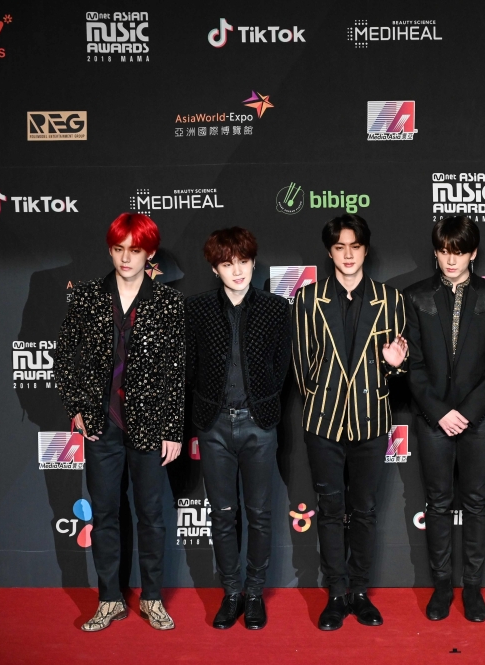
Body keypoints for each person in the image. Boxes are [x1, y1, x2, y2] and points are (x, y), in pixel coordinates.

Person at [56, 213, 185, 632]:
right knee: (106, 513)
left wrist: (173, 429)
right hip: (100, 426)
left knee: (151, 514)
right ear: (110, 250)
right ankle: (109, 598)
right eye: (118, 249)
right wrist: (76, 406)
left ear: (149, 252)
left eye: (134, 250)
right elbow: (65, 357)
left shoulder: (167, 303)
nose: (125, 258)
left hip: (148, 425)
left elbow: (175, 370)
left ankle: (151, 598)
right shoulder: (89, 296)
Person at [291, 214, 409, 630]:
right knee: (329, 510)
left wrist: (394, 368)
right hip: (323, 422)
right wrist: (327, 403)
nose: (347, 254)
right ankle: (336, 593)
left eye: (354, 246)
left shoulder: (391, 300)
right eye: (339, 247)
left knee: (365, 510)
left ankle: (360, 592)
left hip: (371, 422)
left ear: (365, 249)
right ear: (329, 251)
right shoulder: (307, 300)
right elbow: (304, 369)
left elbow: (395, 365)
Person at [403, 216, 485, 622]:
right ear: (436, 250)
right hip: (432, 419)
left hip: (477, 419)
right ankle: (442, 586)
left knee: (476, 502)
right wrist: (440, 413)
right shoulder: (414, 297)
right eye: (445, 250)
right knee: (437, 502)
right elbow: (412, 366)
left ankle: (473, 589)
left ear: (473, 253)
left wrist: (464, 414)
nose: (451, 259)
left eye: (459, 251)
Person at [185, 227, 291, 630]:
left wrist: (261, 401)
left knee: (260, 515)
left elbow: (281, 366)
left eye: (243, 262)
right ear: (215, 268)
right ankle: (232, 593)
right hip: (213, 426)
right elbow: (190, 367)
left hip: (259, 425)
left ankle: (255, 594)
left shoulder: (275, 308)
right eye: (228, 264)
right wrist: (212, 403)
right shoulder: (196, 309)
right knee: (222, 515)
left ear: (252, 262)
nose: (238, 271)